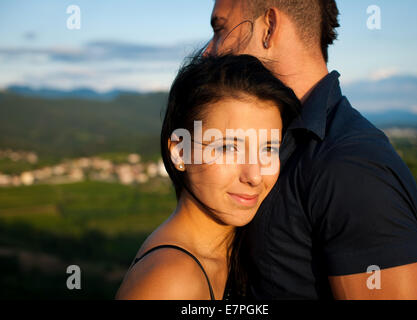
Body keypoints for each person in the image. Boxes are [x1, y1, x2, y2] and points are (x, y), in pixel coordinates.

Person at [204, 0, 417, 299]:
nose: (209, 50)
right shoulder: (267, 144)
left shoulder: (352, 168)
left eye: (220, 29)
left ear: (269, 28)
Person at [115, 54, 300, 299]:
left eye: (269, 149)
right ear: (181, 152)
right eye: (228, 148)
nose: (255, 176)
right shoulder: (171, 281)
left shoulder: (241, 251)